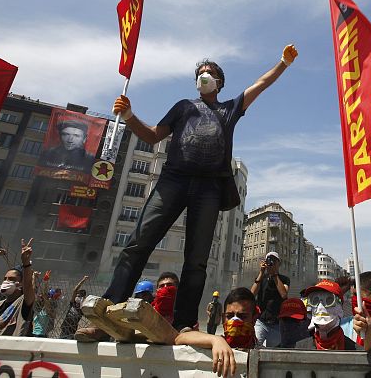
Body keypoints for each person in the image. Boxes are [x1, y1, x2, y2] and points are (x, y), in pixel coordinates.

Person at [78, 46, 297, 341]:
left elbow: (261, 84)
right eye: (199, 73)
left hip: (208, 188)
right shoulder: (183, 106)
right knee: (138, 242)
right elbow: (154, 135)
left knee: (197, 260)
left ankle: (183, 324)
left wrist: (282, 62)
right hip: (173, 180)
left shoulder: (229, 109)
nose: (203, 76)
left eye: (209, 73)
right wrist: (129, 115)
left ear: (219, 82)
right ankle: (109, 311)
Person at [295, 280, 362, 351]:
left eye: (329, 300)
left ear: (340, 309)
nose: (320, 307)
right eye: (314, 301)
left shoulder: (355, 351)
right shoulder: (300, 348)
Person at [252, 251, 290, 346]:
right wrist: (261, 272)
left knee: (272, 352)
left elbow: (284, 295)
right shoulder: (262, 278)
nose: (271, 263)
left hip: (276, 323)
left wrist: (274, 275)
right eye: (269, 260)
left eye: (274, 261)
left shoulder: (284, 279)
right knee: (254, 346)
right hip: (261, 321)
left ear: (279, 264)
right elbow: (252, 294)